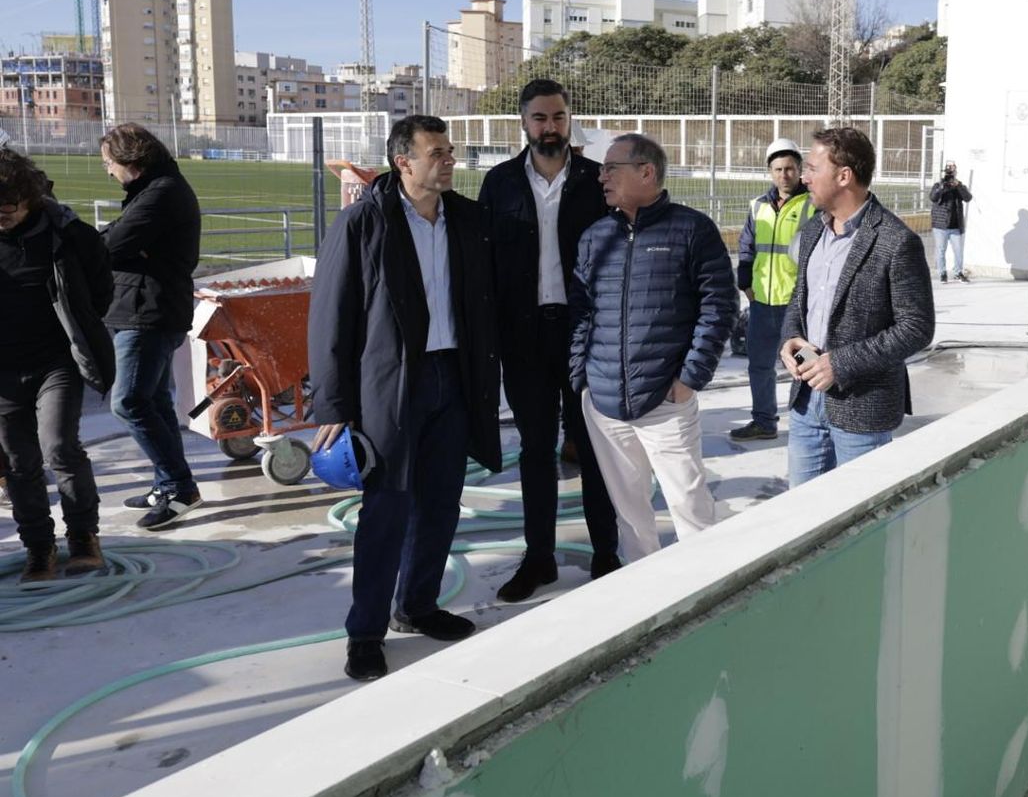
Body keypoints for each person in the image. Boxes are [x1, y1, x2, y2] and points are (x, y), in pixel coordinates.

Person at [308, 116, 502, 682]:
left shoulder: (466, 220)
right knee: (386, 509)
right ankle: (365, 632)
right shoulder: (362, 223)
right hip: (389, 387)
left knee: (440, 502)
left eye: (449, 152)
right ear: (403, 162)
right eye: (436, 153)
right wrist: (333, 405)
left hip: (453, 378)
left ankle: (416, 604)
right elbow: (330, 317)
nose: (448, 161)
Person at [478, 78, 621, 602]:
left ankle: (606, 549)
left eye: (558, 117)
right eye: (540, 118)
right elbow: (486, 268)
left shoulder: (595, 181)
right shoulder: (499, 184)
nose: (550, 127)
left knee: (593, 446)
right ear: (523, 123)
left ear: (568, 120)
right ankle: (538, 558)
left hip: (585, 334)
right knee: (535, 450)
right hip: (523, 338)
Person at [570, 133, 736, 562]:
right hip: (604, 403)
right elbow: (581, 312)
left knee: (690, 509)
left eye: (611, 168)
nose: (601, 177)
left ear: (646, 171)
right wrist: (582, 377)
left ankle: (704, 593)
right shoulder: (595, 237)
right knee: (629, 514)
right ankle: (643, 600)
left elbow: (719, 306)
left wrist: (689, 379)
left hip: (666, 401)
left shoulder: (692, 230)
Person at [780, 128, 935, 485]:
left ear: (844, 176)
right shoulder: (811, 233)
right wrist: (790, 338)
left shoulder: (896, 242)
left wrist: (840, 363)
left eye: (812, 168)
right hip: (806, 404)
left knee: (858, 522)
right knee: (799, 521)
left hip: (862, 411)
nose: (804, 177)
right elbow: (799, 300)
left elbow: (916, 328)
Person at [0, 150, 115, 583]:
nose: (1, 217)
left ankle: (84, 537)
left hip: (55, 364)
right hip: (4, 372)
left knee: (60, 447)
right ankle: (38, 548)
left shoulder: (67, 235)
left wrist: (81, 328)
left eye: (7, 208)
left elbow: (100, 288)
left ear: (28, 198)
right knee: (18, 460)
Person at [99, 123, 203, 531]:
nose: (108, 171)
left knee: (129, 402)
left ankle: (179, 487)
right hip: (148, 309)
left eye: (110, 163)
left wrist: (120, 244)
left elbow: (108, 247)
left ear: (133, 162)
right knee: (155, 401)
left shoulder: (161, 194)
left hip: (149, 314)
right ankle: (168, 482)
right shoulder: (156, 190)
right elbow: (119, 241)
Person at [730, 137, 814, 442]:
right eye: (778, 169)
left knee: (807, 364)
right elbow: (747, 246)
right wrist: (746, 285)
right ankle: (764, 422)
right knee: (760, 366)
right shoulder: (758, 206)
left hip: (798, 306)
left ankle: (815, 422)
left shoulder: (812, 204)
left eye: (790, 168)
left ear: (799, 169)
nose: (784, 175)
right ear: (770, 172)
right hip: (762, 303)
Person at [929, 160, 973, 283]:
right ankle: (942, 273)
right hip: (940, 226)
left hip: (956, 227)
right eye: (949, 171)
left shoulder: (959, 186)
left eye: (953, 171)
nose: (951, 176)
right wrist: (943, 187)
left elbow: (968, 198)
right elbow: (933, 197)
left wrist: (958, 185)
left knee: (959, 251)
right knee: (941, 250)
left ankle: (958, 273)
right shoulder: (938, 185)